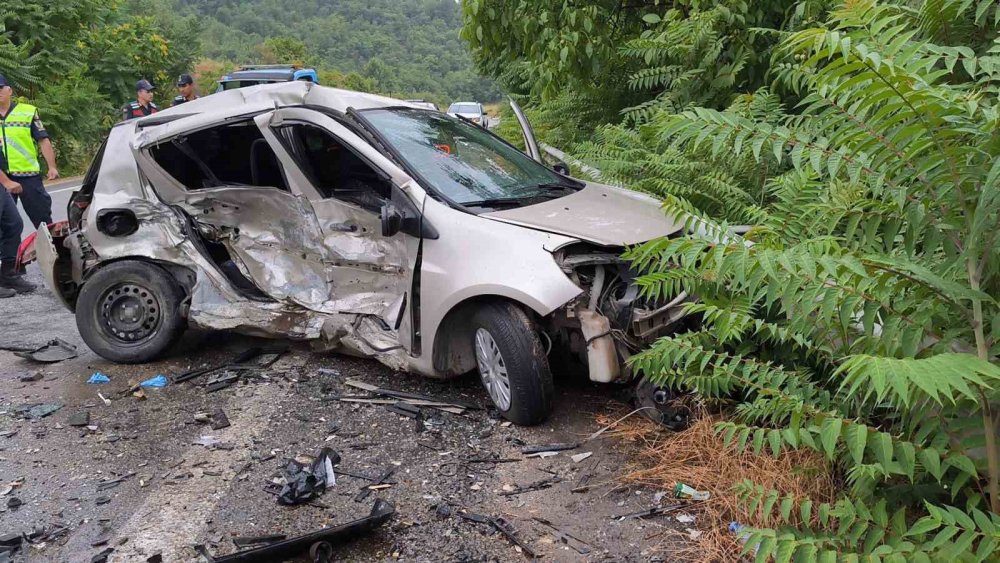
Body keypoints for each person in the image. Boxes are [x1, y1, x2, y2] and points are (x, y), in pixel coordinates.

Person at [0, 73, 56, 233]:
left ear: (9, 90)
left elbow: (43, 140)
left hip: (28, 176)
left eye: (0, 88)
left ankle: (56, 254)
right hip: (2, 178)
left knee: (43, 220)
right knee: (7, 226)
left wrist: (51, 166)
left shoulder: (27, 112)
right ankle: (9, 258)